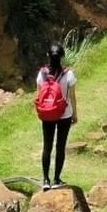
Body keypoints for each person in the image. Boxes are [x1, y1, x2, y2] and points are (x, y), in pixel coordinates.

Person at [35, 42, 78, 189]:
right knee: (60, 147)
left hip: (47, 114)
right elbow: (72, 97)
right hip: (64, 114)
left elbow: (39, 94)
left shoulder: (42, 74)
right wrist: (75, 114)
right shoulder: (69, 74)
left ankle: (46, 180)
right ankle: (57, 179)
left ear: (48, 55)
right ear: (62, 57)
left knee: (47, 147)